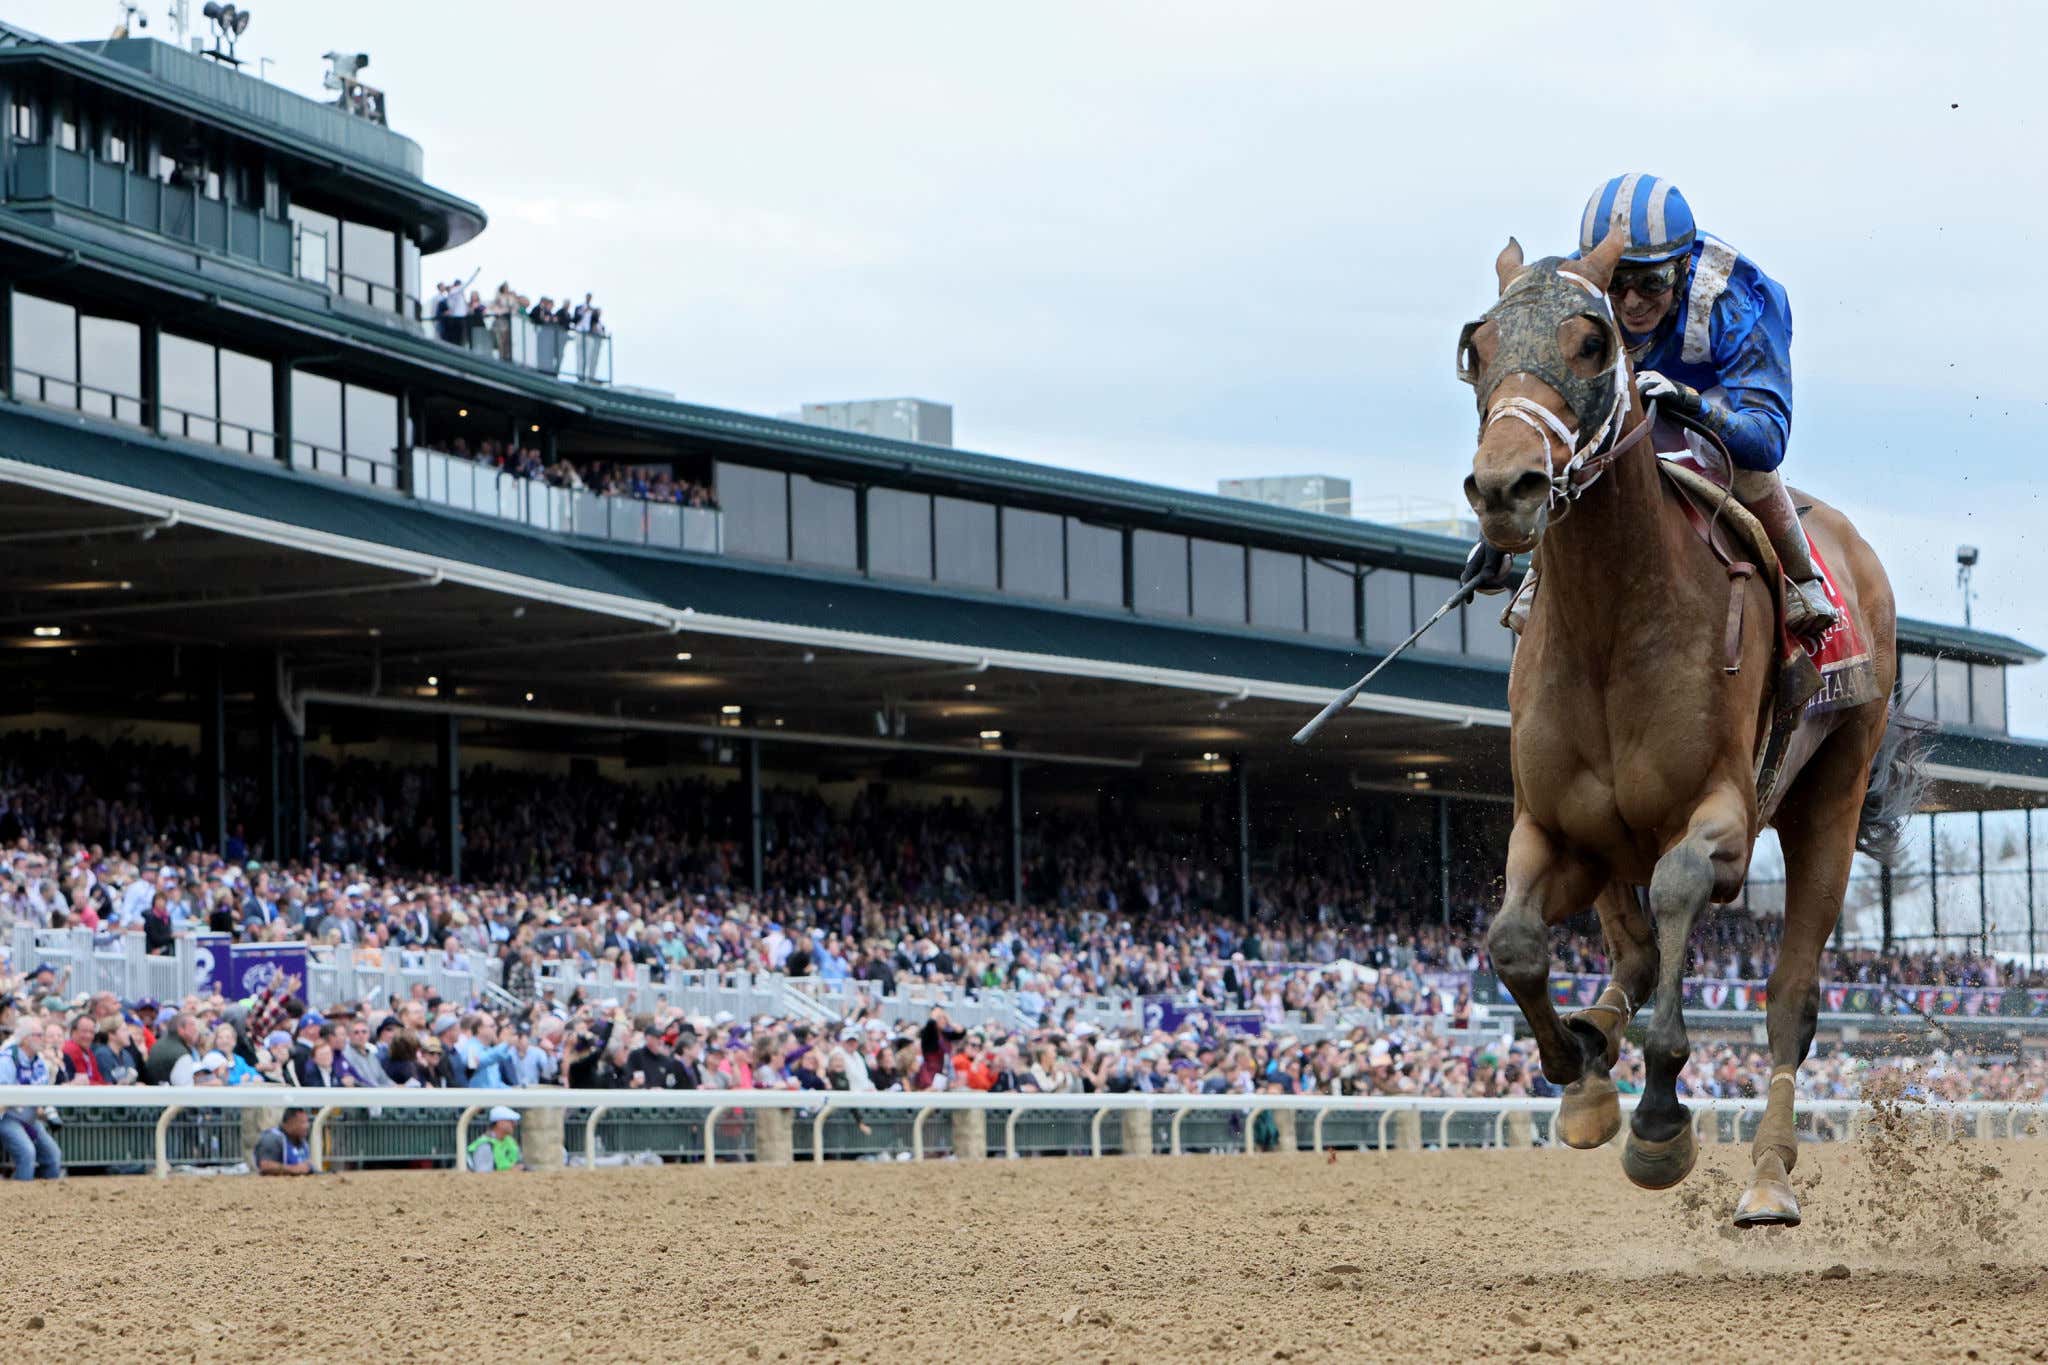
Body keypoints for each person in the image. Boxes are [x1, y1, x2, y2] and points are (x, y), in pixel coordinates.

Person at [1466, 174, 1836, 639]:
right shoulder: (1574, 293)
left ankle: (1801, 578)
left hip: (1714, 403)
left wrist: (1691, 405)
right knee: (1573, 436)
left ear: (1682, 268)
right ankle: (1537, 574)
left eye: (1651, 282)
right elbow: (1543, 416)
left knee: (1719, 451)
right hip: (1629, 403)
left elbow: (1766, 440)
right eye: (1617, 284)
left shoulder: (1735, 299)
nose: (1632, 302)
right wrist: (1498, 527)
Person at [0, 1021, 64, 1179]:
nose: (43, 1039)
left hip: (30, 1119)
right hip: (8, 1118)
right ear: (25, 1039)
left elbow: (41, 1091)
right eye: (38, 1035)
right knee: (26, 1153)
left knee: (53, 1155)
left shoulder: (39, 1062)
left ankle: (47, 1197)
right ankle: (20, 1197)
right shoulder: (7, 1060)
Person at [254, 1107, 314, 1175]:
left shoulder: (301, 1140)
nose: (307, 1126)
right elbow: (265, 1166)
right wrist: (293, 1169)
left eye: (307, 1122)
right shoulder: (272, 1138)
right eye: (302, 1123)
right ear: (290, 1122)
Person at [466, 1106, 522, 1172]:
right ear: (500, 1123)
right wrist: (510, 1171)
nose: (514, 1124)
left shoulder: (510, 1141)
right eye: (511, 1121)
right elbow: (483, 1175)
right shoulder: (484, 1146)